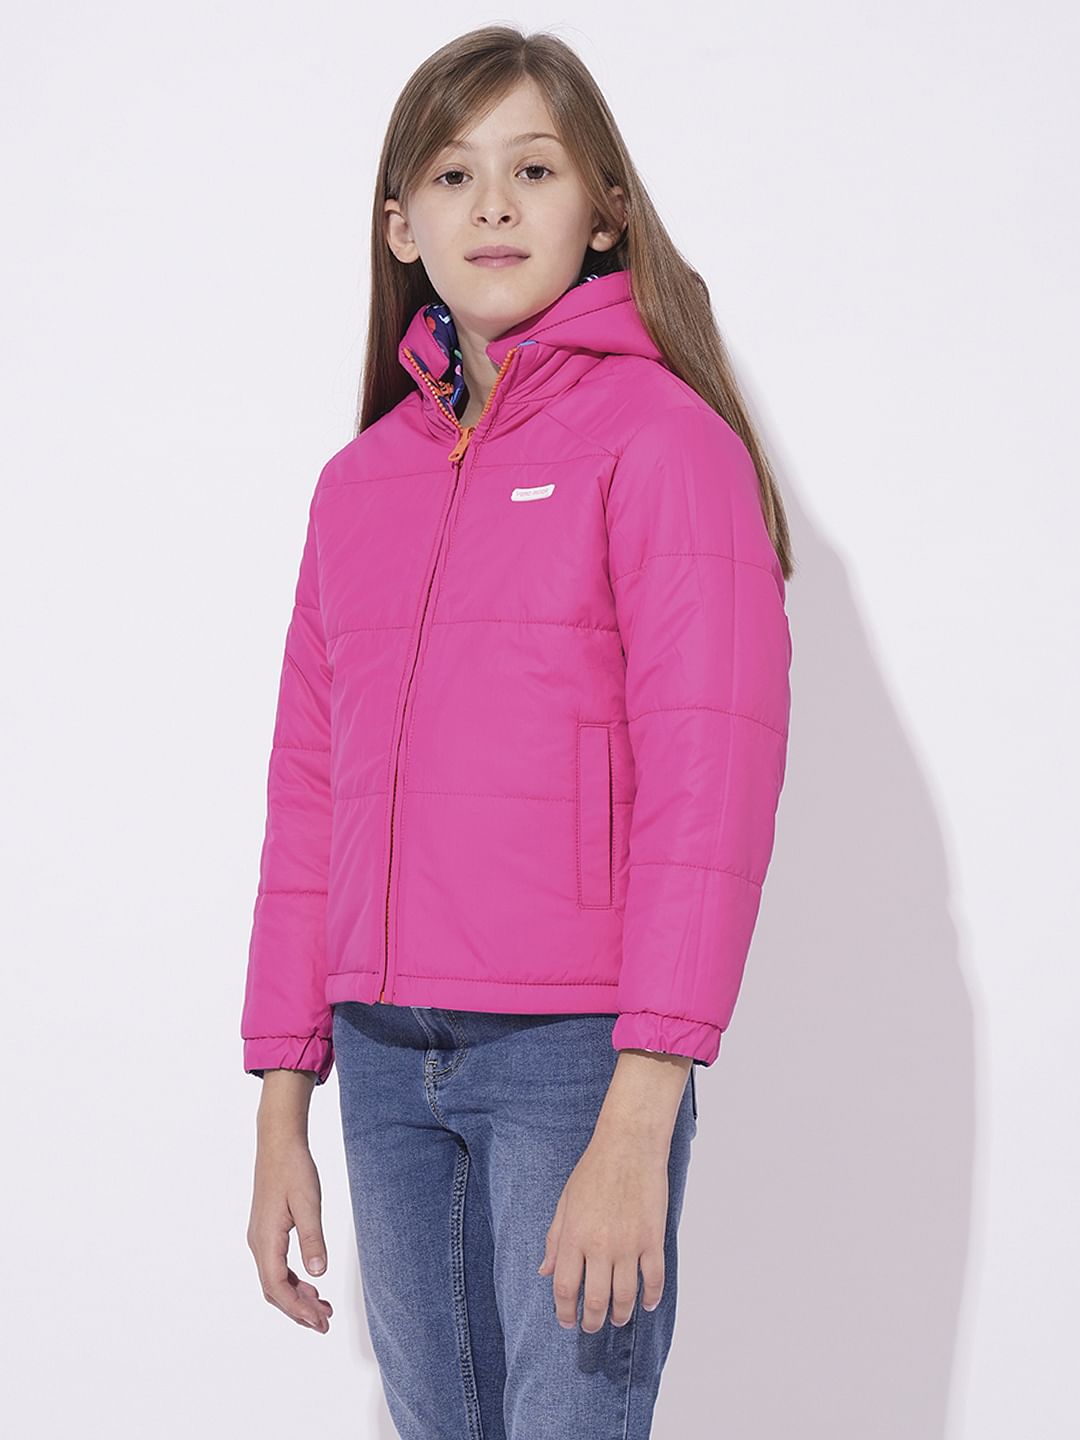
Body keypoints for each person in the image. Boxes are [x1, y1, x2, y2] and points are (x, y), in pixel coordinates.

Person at [241, 24, 794, 1440]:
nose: (492, 205)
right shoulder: (357, 486)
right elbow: (311, 797)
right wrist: (283, 1097)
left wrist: (640, 1108)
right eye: (453, 173)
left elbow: (710, 785)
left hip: (573, 1054)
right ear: (400, 224)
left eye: (534, 169)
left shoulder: (664, 444)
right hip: (380, 1055)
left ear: (603, 207)